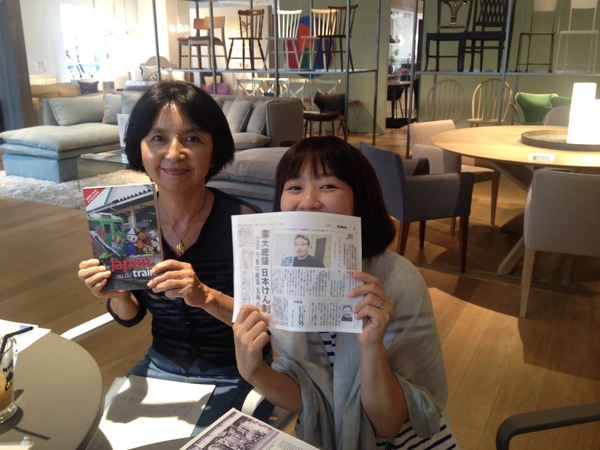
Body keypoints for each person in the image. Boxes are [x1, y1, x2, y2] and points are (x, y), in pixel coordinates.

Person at [233, 136, 456, 449]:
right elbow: (308, 399)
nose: (308, 201)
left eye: (328, 186)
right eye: (294, 187)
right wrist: (253, 369)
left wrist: (372, 347)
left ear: (359, 198)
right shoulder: (283, 279)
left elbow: (389, 424)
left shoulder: (399, 279)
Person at [78, 80, 271, 433]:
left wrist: (204, 296)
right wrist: (118, 294)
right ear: (139, 149)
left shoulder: (245, 222)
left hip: (238, 370)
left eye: (192, 138)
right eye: (158, 138)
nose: (174, 152)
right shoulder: (126, 219)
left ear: (214, 149)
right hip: (161, 368)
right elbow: (131, 316)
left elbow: (268, 322)